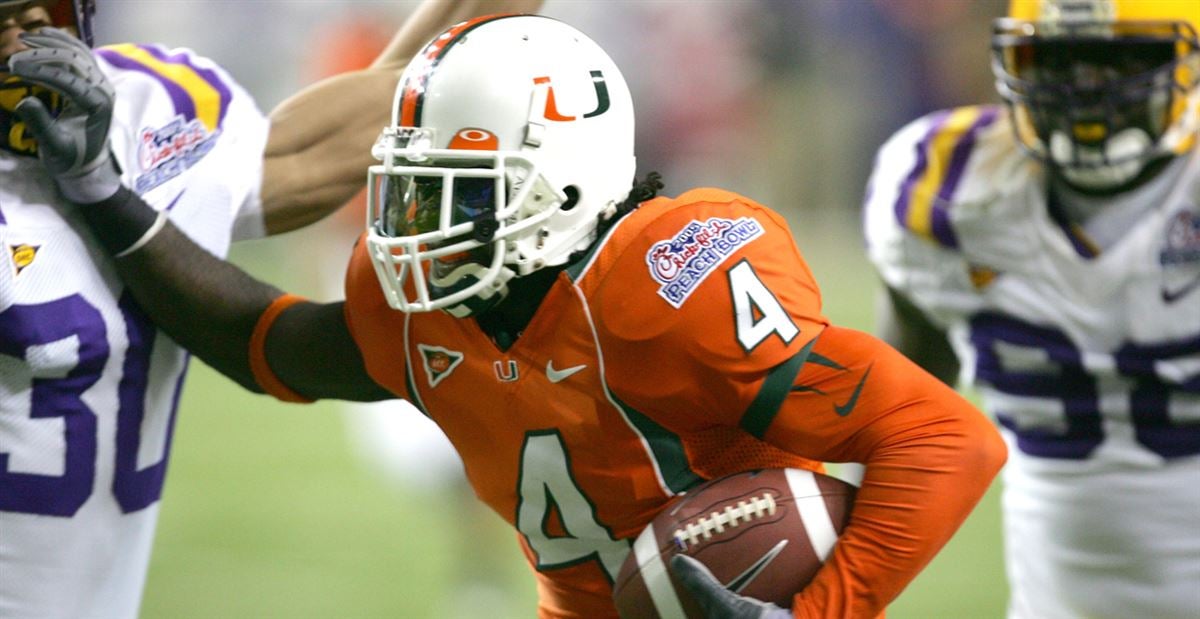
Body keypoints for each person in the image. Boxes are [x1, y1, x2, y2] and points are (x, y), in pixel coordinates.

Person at [26, 13, 1007, 617]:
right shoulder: (434, 310)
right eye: (415, 191)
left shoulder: (669, 286)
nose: (417, 229)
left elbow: (943, 438)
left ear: (563, 181)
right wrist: (107, 193)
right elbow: (269, 344)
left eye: (459, 195)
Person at [0, 1, 538, 617]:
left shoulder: (150, 108)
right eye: (3, 20)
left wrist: (104, 184)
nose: (29, 40)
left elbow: (382, 115)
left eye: (47, 12)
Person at [863, 0, 1200, 617]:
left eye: (1119, 60)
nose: (1086, 88)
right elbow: (898, 426)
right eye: (1057, 60)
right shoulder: (946, 190)